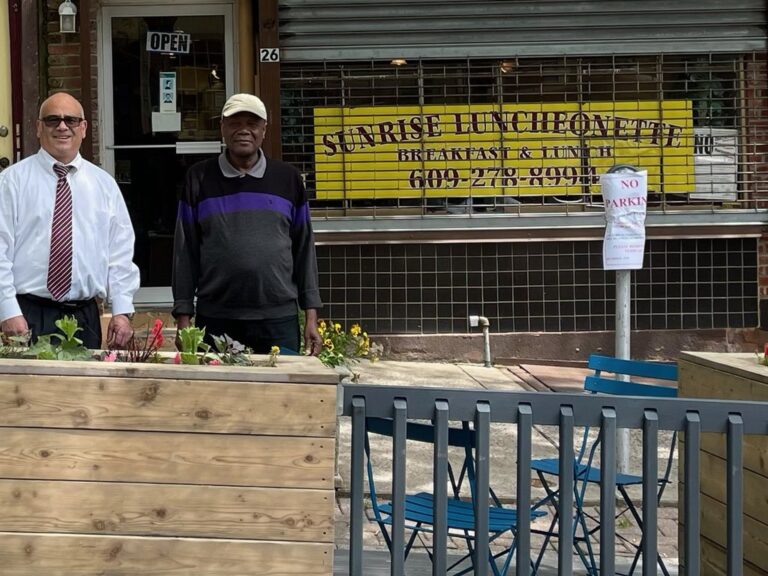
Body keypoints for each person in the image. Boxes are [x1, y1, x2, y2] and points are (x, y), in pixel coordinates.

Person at [172, 93, 323, 355]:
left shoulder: (288, 179)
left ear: (264, 130)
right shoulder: (199, 179)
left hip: (278, 318)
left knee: (281, 383)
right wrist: (183, 317)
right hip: (217, 316)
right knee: (219, 383)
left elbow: (304, 250)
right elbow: (185, 252)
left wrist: (311, 315)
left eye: (252, 124)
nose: (243, 130)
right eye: (235, 123)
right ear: (222, 128)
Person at [0, 92, 140, 349]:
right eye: (52, 120)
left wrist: (121, 310)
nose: (62, 126)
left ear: (83, 128)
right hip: (27, 315)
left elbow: (119, 253)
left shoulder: (104, 185)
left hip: (85, 318)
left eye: (71, 120)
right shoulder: (11, 182)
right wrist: (7, 309)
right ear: (38, 127)